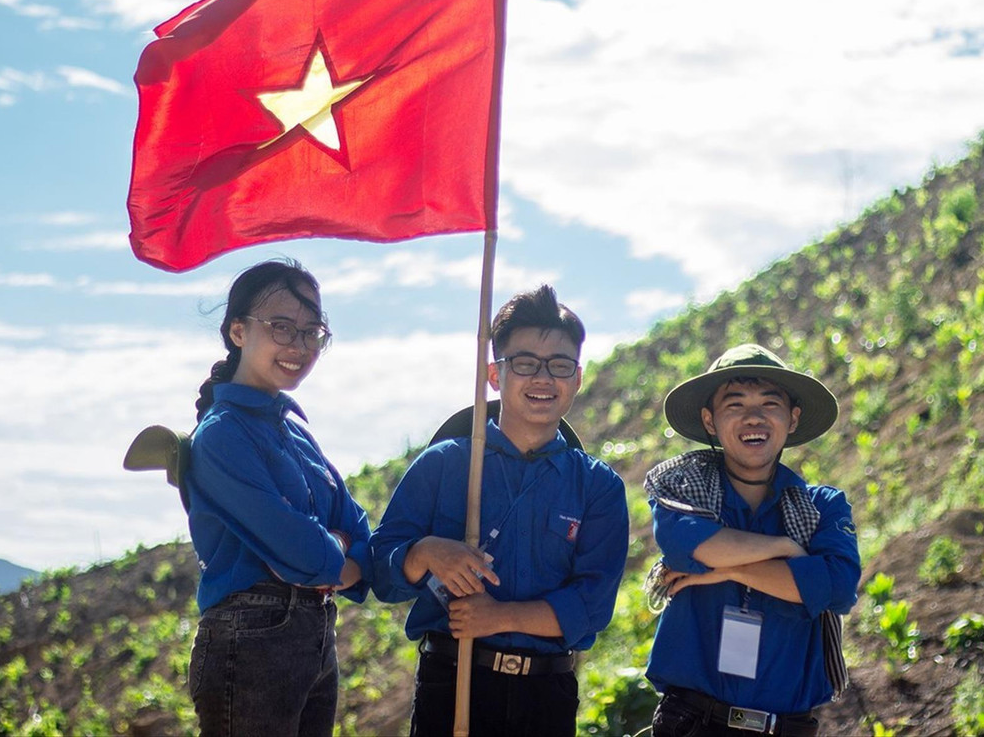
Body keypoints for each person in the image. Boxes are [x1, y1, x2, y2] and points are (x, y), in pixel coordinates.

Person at [370, 284, 629, 737]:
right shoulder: (444, 464)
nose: (543, 378)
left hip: (547, 695)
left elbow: (592, 607)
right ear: (495, 374)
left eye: (560, 365)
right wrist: (426, 552)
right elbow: (379, 570)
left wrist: (499, 617)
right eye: (525, 363)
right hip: (451, 682)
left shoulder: (598, 487)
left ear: (577, 378)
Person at [183, 259, 373, 737]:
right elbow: (299, 551)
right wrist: (338, 557)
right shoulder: (222, 435)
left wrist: (335, 554)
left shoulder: (297, 431)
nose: (299, 346)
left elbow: (357, 526)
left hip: (316, 635)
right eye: (282, 327)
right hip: (250, 641)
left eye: (312, 332)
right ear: (238, 331)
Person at [644, 344, 860, 737]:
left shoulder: (822, 507)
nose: (754, 417)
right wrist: (785, 550)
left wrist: (727, 571)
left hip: (786, 728)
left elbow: (837, 587)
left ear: (793, 418)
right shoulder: (681, 490)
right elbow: (688, 546)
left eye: (770, 403)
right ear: (709, 420)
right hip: (690, 723)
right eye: (735, 404)